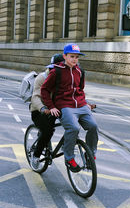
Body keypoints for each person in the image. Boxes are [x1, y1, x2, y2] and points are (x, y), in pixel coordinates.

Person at [41, 43, 98, 172]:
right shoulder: (56, 71)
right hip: (65, 105)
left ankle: (90, 155)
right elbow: (44, 89)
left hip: (81, 105)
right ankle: (69, 158)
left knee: (93, 126)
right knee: (73, 128)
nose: (74, 60)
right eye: (71, 56)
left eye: (77, 57)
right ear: (65, 56)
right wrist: (51, 106)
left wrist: (86, 104)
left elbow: (80, 89)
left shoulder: (80, 71)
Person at [30, 53, 65, 161]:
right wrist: (42, 108)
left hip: (55, 109)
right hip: (39, 111)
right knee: (48, 131)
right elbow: (35, 97)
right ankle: (36, 156)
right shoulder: (42, 78)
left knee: (72, 124)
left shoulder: (64, 78)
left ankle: (67, 145)